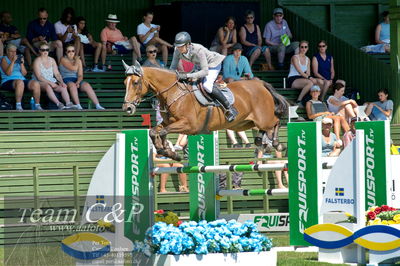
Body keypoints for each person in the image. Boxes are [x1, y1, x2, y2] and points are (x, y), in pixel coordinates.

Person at [170, 31, 238, 122]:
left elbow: (205, 72)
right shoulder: (177, 50)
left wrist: (187, 75)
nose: (179, 48)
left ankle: (230, 108)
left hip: (213, 64)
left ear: (188, 44)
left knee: (207, 86)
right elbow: (172, 68)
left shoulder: (198, 50)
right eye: (177, 46)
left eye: (181, 46)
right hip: (199, 65)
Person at [32, 42, 77, 110]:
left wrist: (61, 82)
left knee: (63, 87)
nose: (45, 51)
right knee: (48, 86)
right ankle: (59, 104)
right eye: (43, 50)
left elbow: (57, 73)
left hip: (51, 81)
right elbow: (39, 77)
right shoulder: (37, 60)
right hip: (39, 82)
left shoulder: (52, 60)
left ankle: (68, 104)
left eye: (47, 50)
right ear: (39, 51)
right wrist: (50, 83)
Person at [59, 44, 105, 110]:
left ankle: (98, 105)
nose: (71, 53)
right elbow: (73, 68)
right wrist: (77, 61)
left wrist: (78, 82)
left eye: (73, 51)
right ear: (66, 52)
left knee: (87, 85)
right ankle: (78, 106)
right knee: (72, 85)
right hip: (66, 79)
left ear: (75, 52)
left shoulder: (79, 61)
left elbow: (80, 75)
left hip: (75, 79)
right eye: (69, 51)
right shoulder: (63, 59)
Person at [0, 43, 42, 110]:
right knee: (20, 82)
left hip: (21, 80)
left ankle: (37, 105)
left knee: (35, 83)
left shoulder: (18, 60)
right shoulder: (4, 59)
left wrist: (22, 63)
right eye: (11, 51)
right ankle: (18, 105)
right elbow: (8, 73)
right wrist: (13, 61)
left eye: (15, 51)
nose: (14, 53)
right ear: (7, 51)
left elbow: (24, 74)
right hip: (7, 81)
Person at [287, 40, 318, 106]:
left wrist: (310, 78)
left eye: (305, 47)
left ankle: (315, 101)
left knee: (317, 82)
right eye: (302, 47)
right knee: (310, 82)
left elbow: (308, 73)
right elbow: (300, 71)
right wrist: (310, 78)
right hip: (292, 79)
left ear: (308, 48)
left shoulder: (308, 59)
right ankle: (298, 101)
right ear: (299, 48)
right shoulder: (295, 57)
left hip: (302, 78)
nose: (304, 49)